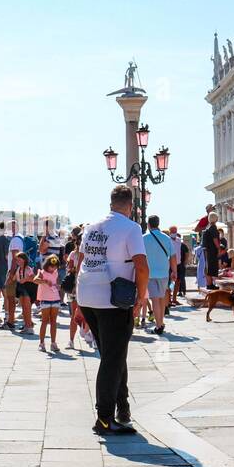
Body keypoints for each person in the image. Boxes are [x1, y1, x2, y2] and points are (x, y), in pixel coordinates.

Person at [76, 186, 149, 435]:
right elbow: (141, 266)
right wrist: (142, 296)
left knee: (114, 353)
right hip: (113, 299)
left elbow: (81, 261)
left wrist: (76, 302)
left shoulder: (92, 226)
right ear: (130, 206)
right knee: (112, 358)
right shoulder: (131, 228)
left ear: (111, 203)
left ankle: (123, 408)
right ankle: (104, 418)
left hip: (87, 295)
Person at [143, 215, 175, 335]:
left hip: (150, 273)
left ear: (148, 224)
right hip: (164, 273)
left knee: (155, 300)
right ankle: (161, 323)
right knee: (161, 298)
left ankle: (158, 326)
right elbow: (173, 256)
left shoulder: (144, 238)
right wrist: (174, 271)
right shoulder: (166, 238)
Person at [36, 254, 62, 351]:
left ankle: (53, 343)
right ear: (47, 265)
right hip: (45, 299)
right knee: (44, 321)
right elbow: (35, 280)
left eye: (55, 266)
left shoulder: (55, 272)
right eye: (51, 266)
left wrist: (57, 286)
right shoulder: (42, 272)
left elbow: (56, 283)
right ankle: (42, 343)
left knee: (53, 322)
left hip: (55, 298)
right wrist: (45, 281)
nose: (53, 268)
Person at [9, 251, 36, 332]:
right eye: (17, 260)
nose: (18, 262)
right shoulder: (18, 269)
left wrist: (25, 279)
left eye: (20, 260)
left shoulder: (28, 269)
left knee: (27, 308)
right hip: (21, 289)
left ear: (24, 260)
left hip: (28, 289)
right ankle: (27, 325)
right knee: (24, 308)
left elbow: (33, 278)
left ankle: (29, 326)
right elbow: (14, 279)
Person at [200, 213, 220, 290]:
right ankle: (210, 284)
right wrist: (218, 248)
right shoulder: (213, 228)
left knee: (208, 268)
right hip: (211, 250)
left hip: (206, 250)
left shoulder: (208, 228)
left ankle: (209, 284)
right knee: (210, 268)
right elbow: (215, 240)